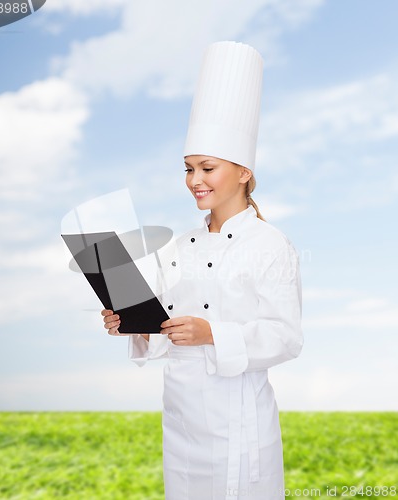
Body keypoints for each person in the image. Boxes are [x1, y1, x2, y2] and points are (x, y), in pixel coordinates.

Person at [102, 41, 303, 500]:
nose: (195, 181)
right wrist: (130, 324)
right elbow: (166, 328)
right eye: (189, 169)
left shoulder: (270, 245)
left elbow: (286, 336)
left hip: (238, 427)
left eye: (207, 168)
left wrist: (213, 333)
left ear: (244, 172)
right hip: (182, 422)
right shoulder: (179, 246)